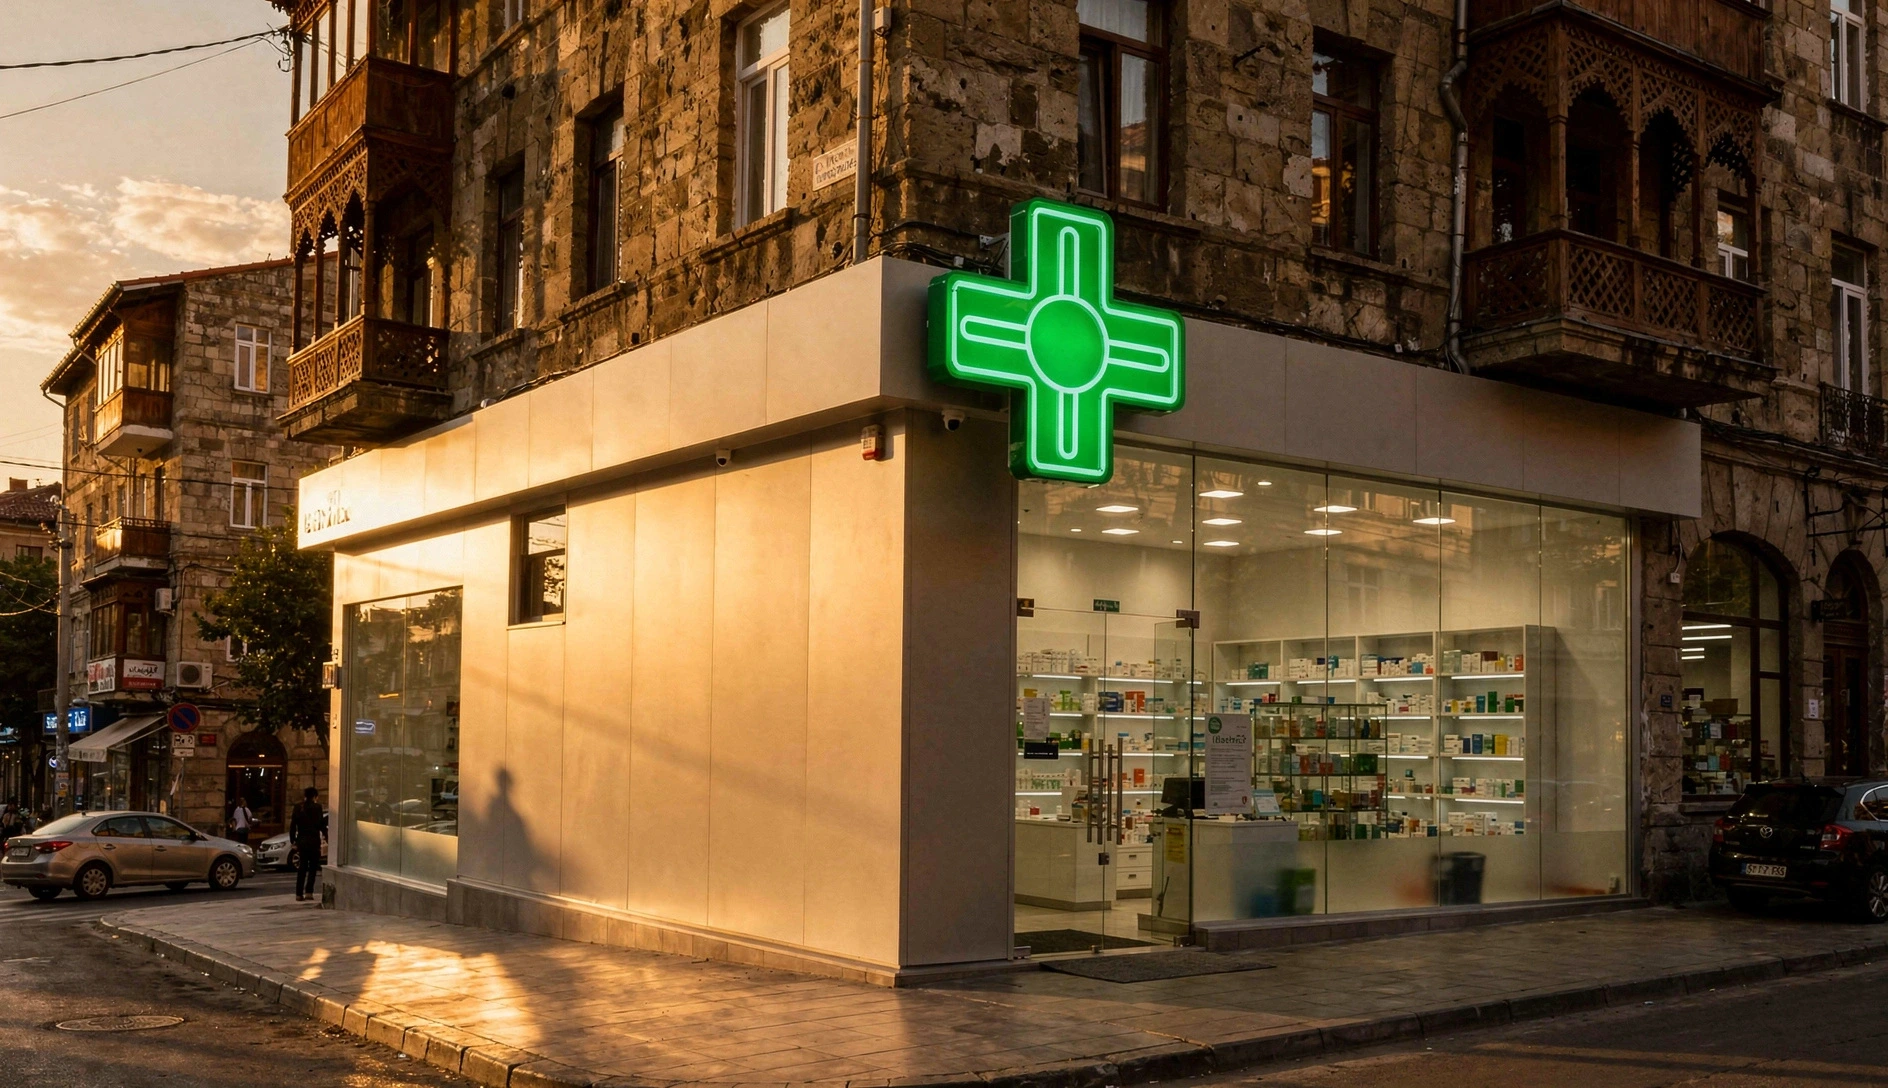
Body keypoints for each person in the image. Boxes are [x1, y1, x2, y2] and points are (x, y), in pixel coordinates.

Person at [288, 787, 326, 902]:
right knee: (313, 867)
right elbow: (321, 824)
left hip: (302, 841)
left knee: (302, 867)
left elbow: (293, 825)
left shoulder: (298, 807)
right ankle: (309, 891)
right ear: (314, 796)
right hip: (314, 840)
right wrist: (326, 835)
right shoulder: (317, 807)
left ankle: (299, 894)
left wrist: (293, 840)